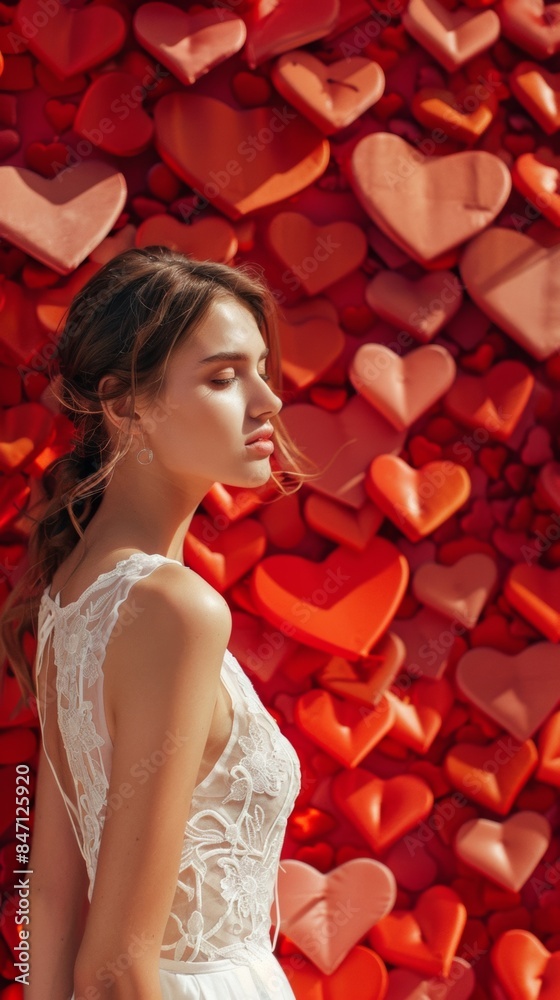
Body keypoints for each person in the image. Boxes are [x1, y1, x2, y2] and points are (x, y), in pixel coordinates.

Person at [0, 247, 318, 1000]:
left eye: (262, 368)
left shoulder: (70, 595)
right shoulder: (175, 609)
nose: (267, 399)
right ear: (125, 403)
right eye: (222, 376)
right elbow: (112, 962)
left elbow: (50, 897)